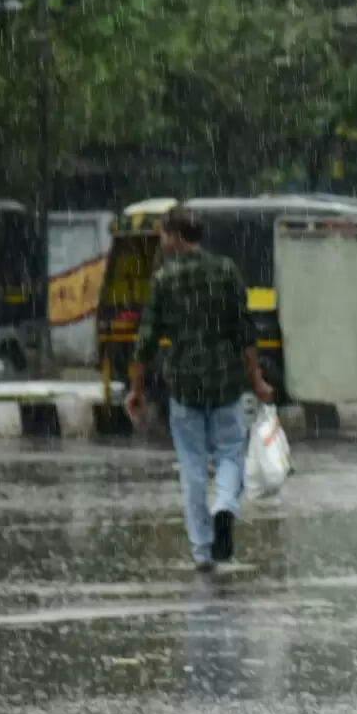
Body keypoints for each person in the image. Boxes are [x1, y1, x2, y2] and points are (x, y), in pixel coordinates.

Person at [125, 206, 275, 573]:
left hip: (185, 385)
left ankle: (203, 550)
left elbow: (146, 340)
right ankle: (224, 505)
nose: (162, 240)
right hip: (226, 381)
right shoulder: (226, 271)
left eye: (164, 233)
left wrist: (136, 389)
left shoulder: (165, 280)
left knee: (191, 466)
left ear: (177, 236)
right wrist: (256, 379)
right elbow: (245, 331)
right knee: (230, 454)